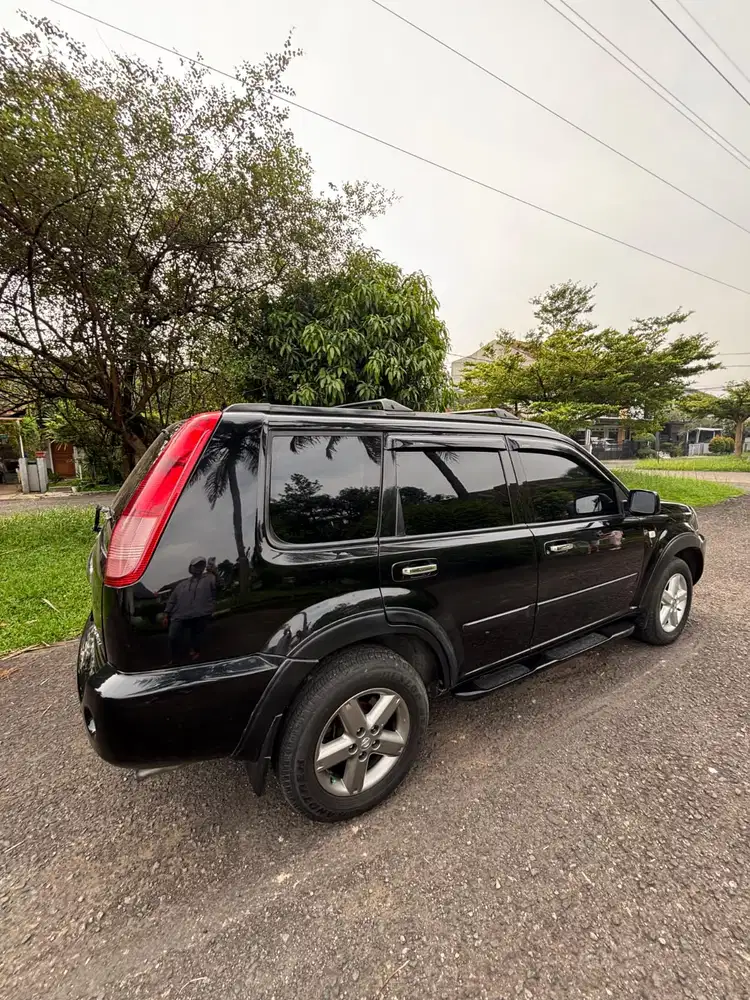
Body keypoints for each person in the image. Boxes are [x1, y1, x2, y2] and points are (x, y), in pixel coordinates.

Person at [164, 557, 217, 664]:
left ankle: (195, 652)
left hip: (200, 614)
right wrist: (166, 614)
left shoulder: (209, 578)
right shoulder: (182, 584)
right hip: (179, 615)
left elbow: (218, 586)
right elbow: (172, 599)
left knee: (196, 634)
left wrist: (215, 573)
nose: (198, 568)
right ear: (191, 568)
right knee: (173, 636)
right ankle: (174, 657)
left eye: (201, 565)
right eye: (196, 566)